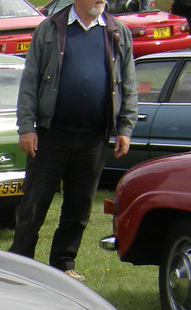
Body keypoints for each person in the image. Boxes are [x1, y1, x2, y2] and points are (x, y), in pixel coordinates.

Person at [9, 0, 137, 282]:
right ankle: (20, 263)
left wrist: (125, 128)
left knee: (79, 207)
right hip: (51, 135)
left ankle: (63, 264)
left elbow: (128, 83)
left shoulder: (117, 32)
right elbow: (30, 80)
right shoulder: (50, 29)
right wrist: (26, 127)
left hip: (93, 137)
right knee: (34, 205)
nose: (100, 1)